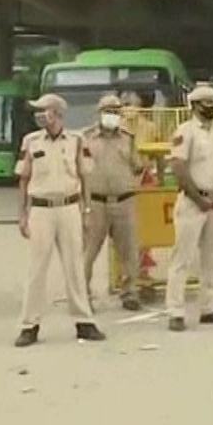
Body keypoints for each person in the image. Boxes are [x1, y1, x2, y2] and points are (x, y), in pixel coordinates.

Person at [15, 93, 104, 347]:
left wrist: (87, 211)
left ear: (56, 113)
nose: (39, 115)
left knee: (74, 267)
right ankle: (29, 325)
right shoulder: (30, 141)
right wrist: (22, 215)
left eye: (44, 110)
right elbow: (23, 179)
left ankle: (83, 322)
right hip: (41, 209)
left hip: (69, 207)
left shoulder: (77, 140)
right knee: (36, 270)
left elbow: (85, 176)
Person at [165, 83, 213, 332]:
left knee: (212, 257)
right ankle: (175, 310)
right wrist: (197, 198)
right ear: (194, 105)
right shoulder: (185, 131)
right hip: (192, 202)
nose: (211, 109)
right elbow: (179, 168)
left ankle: (209, 307)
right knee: (182, 257)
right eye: (206, 104)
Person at [82, 93, 147, 311]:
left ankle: (130, 292)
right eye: (108, 111)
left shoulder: (128, 138)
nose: (112, 115)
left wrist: (131, 183)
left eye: (116, 111)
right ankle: (83, 295)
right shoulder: (86, 138)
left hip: (124, 201)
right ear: (99, 114)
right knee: (88, 252)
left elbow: (139, 165)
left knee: (129, 250)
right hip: (96, 202)